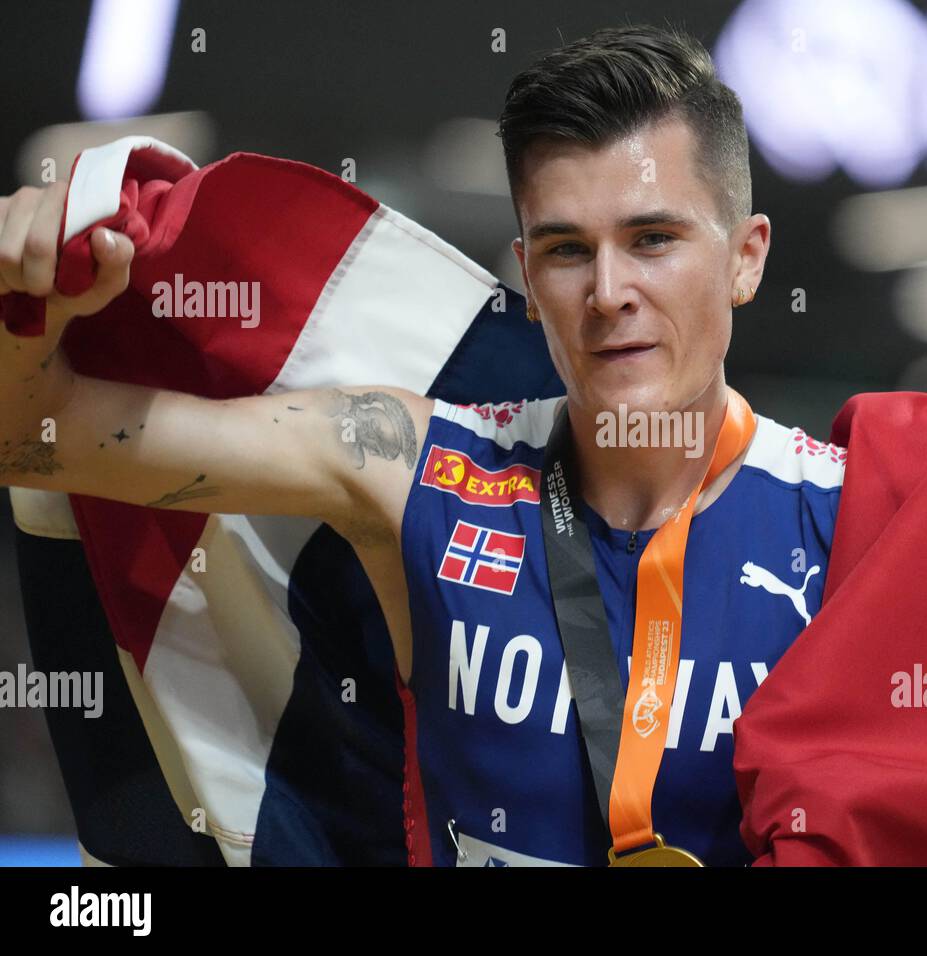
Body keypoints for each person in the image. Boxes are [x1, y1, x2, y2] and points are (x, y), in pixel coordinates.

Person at [0, 25, 842, 867]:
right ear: (526, 274)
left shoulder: (853, 523)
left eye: (653, 239)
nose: (608, 292)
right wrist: (25, 307)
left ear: (746, 258)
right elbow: (33, 441)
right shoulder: (411, 468)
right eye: (566, 250)